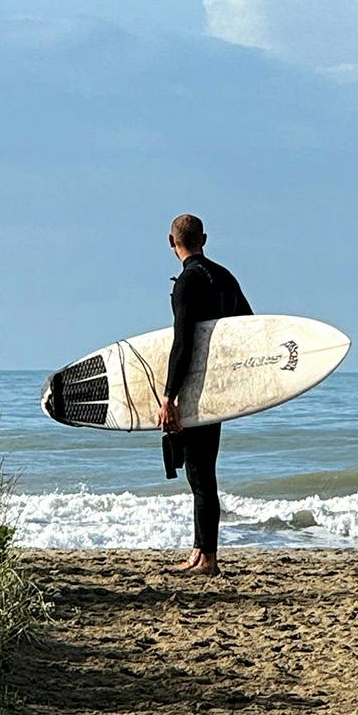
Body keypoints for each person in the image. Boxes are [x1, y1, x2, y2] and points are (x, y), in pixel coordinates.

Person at [157, 213, 251, 575]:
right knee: (201, 470)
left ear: (171, 242)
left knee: (199, 472)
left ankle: (207, 558)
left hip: (194, 388)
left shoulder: (186, 282)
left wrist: (169, 396)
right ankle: (200, 551)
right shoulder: (225, 277)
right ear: (204, 239)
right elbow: (247, 328)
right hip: (219, 387)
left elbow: (183, 343)